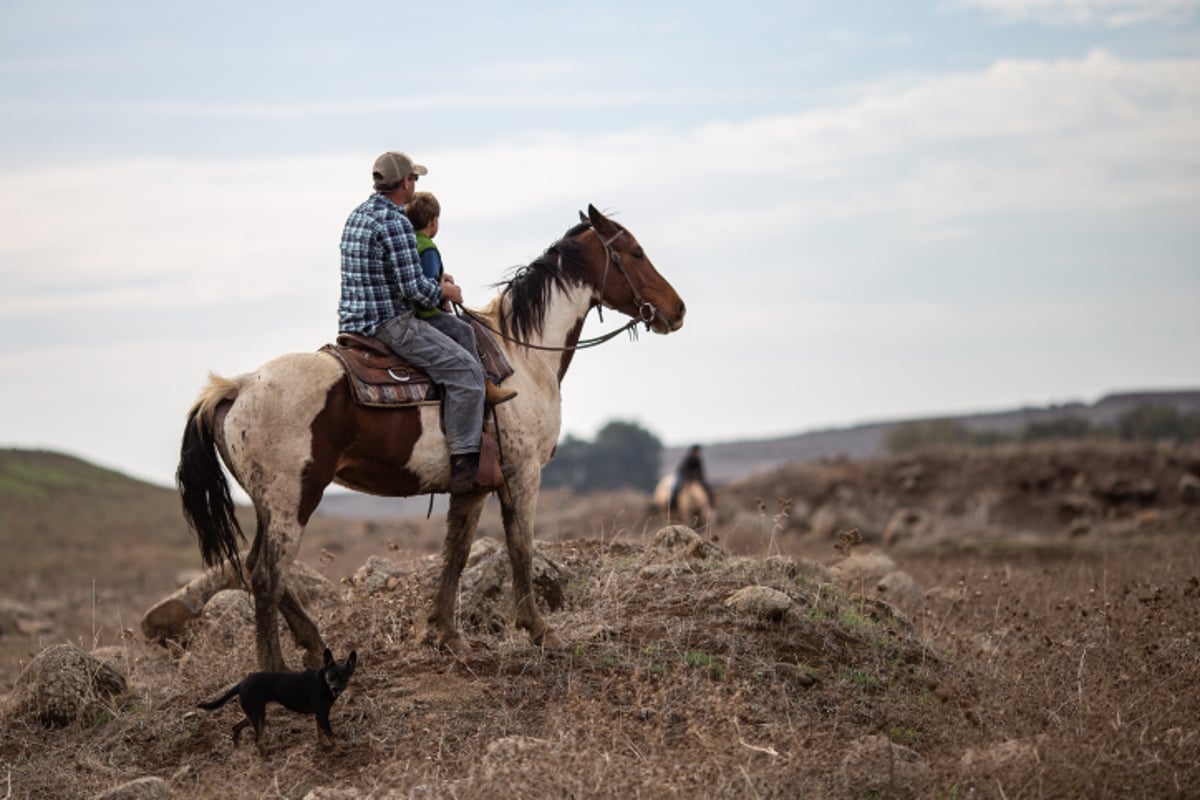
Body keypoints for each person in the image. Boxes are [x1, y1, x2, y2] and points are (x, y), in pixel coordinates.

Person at [338, 151, 495, 494]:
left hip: (352, 322)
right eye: (415, 179)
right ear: (406, 182)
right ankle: (464, 465)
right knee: (467, 373)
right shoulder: (395, 223)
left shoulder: (357, 216)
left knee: (460, 339)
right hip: (390, 323)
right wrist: (446, 291)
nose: (415, 186)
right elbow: (414, 290)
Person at [403, 191, 515, 405]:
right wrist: (444, 294)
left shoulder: (409, 243)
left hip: (412, 314)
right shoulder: (428, 248)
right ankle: (483, 383)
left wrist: (440, 279)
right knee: (464, 329)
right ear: (433, 221)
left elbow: (420, 277)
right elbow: (425, 289)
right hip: (426, 315)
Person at [670, 444, 716, 511]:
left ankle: (711, 502)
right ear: (693, 451)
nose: (699, 453)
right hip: (682, 475)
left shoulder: (698, 460)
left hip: (694, 477)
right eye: (697, 451)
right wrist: (688, 479)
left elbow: (701, 471)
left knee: (707, 486)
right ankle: (672, 504)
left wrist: (700, 478)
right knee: (676, 487)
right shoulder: (687, 459)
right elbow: (684, 471)